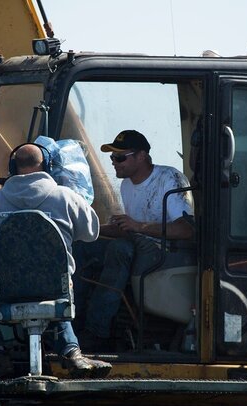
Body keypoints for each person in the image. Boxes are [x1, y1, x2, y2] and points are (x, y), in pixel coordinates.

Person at [0, 143, 111, 380]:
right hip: (55, 289)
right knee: (53, 284)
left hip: (8, 292)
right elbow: (91, 233)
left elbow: (1, 239)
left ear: (13, 167)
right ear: (48, 166)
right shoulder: (65, 196)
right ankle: (72, 353)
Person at [77, 130, 194, 351]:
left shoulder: (169, 179)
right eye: (112, 157)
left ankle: (97, 332)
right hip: (139, 245)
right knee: (83, 247)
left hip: (167, 253)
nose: (114, 162)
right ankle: (73, 324)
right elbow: (131, 230)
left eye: (120, 157)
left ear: (141, 156)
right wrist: (87, 230)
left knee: (119, 249)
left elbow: (186, 230)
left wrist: (138, 226)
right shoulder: (127, 185)